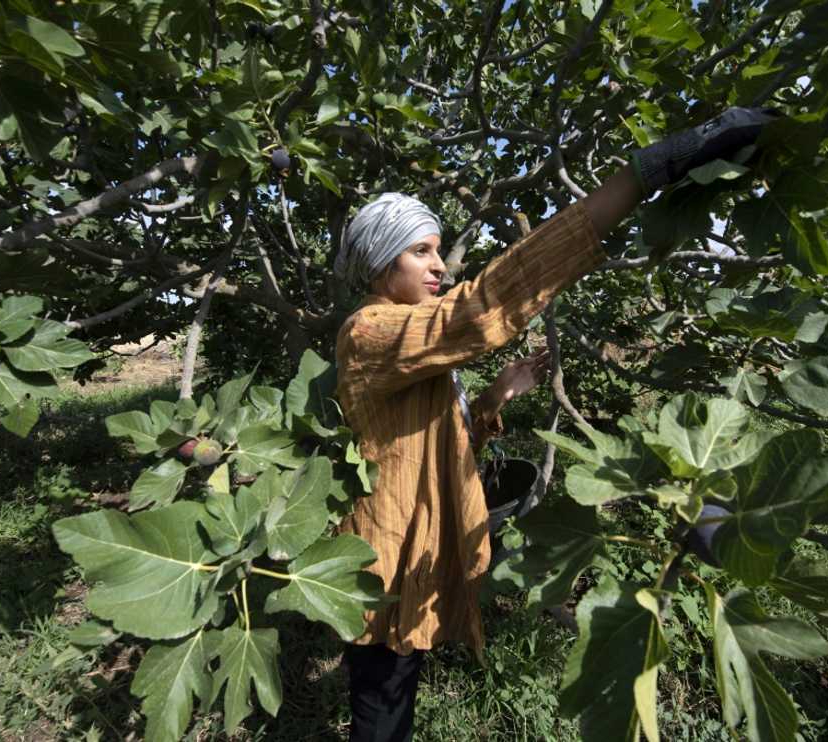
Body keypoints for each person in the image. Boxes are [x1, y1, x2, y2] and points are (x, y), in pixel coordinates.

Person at [331, 107, 775, 742]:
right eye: (420, 251)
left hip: (418, 549)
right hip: (385, 555)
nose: (440, 266)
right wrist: (643, 174)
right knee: (379, 701)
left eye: (438, 250)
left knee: (396, 685)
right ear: (379, 267)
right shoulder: (370, 331)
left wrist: (492, 399)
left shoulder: (410, 347)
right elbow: (483, 306)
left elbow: (420, 436)